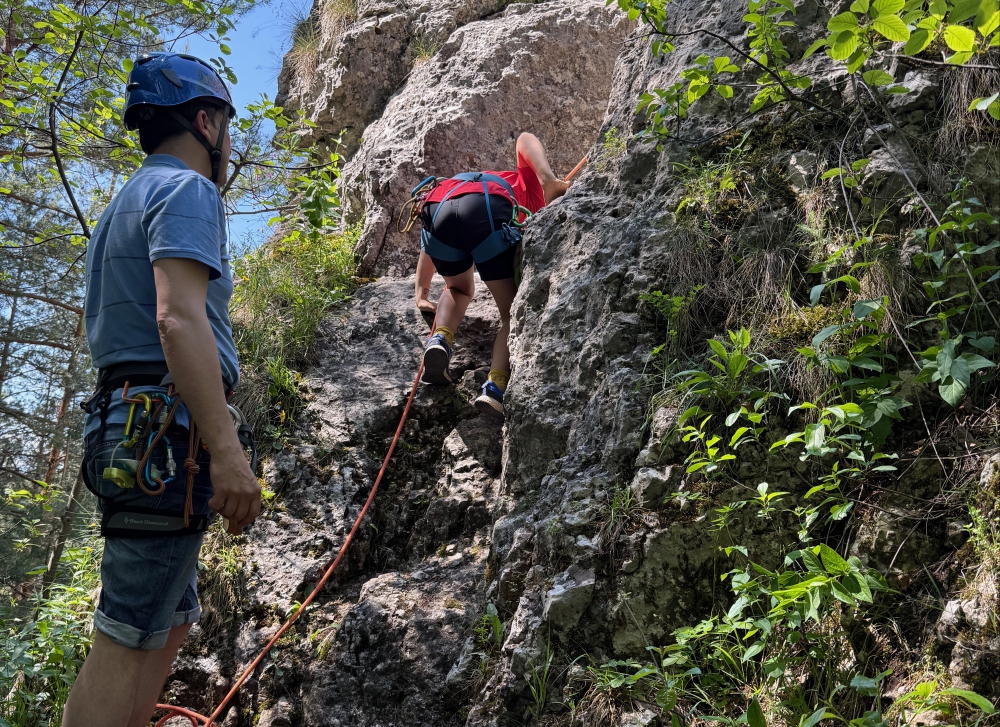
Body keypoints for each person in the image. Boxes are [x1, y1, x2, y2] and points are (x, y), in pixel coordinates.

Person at [62, 52, 261, 727]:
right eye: (227, 130)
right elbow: (176, 317)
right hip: (164, 433)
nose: (228, 149)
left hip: (133, 426)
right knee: (126, 637)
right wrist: (228, 449)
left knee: (168, 622)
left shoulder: (127, 199)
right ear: (206, 123)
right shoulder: (188, 191)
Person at [416, 132, 570, 418]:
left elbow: (427, 244)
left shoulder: (484, 180)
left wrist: (422, 294)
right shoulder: (533, 192)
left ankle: (440, 339)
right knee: (511, 313)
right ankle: (495, 387)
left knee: (458, 289)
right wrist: (548, 179)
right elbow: (524, 138)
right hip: (486, 209)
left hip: (439, 208)